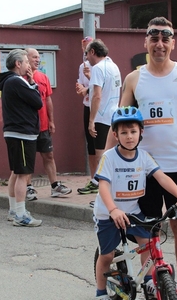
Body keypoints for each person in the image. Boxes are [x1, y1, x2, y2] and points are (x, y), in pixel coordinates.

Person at [117, 17, 177, 300]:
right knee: (145, 229)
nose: (159, 43)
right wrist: (108, 165)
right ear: (145, 42)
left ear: (173, 43)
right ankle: (150, 281)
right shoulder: (134, 78)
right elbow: (118, 124)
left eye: (165, 38)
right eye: (153, 38)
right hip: (143, 169)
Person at [93, 106, 177, 300]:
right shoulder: (109, 157)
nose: (129, 136)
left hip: (133, 212)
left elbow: (162, 178)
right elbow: (103, 186)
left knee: (147, 245)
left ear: (141, 133)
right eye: (123, 132)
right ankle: (101, 292)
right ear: (115, 134)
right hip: (108, 214)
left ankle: (149, 282)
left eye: (133, 131)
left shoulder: (144, 158)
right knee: (107, 256)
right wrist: (112, 210)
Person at [0, 49, 43, 227]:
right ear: (18, 64)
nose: (28, 65)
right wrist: (32, 82)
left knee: (16, 173)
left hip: (15, 133)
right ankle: (21, 215)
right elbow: (37, 101)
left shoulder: (9, 82)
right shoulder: (16, 81)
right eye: (25, 61)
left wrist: (30, 83)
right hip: (22, 134)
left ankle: (14, 210)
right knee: (23, 174)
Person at [24, 48, 72, 199]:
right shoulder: (19, 79)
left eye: (38, 57)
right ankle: (28, 188)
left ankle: (55, 186)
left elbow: (48, 100)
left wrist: (51, 120)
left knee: (49, 155)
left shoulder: (43, 77)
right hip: (27, 126)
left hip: (43, 125)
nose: (37, 60)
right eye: (34, 57)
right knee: (28, 158)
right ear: (26, 59)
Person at [77, 39, 121, 195]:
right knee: (109, 151)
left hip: (101, 116)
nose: (86, 58)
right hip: (113, 113)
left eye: (86, 54)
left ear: (93, 52)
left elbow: (96, 96)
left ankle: (100, 184)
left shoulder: (97, 68)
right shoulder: (113, 66)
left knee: (100, 153)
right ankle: (99, 182)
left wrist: (91, 120)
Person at [75, 37, 99, 200]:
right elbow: (81, 85)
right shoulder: (82, 66)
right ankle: (93, 180)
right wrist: (81, 88)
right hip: (87, 106)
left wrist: (89, 80)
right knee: (90, 145)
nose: (85, 53)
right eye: (83, 49)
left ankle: (102, 181)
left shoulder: (103, 66)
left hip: (100, 109)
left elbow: (102, 88)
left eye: (87, 49)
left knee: (101, 146)